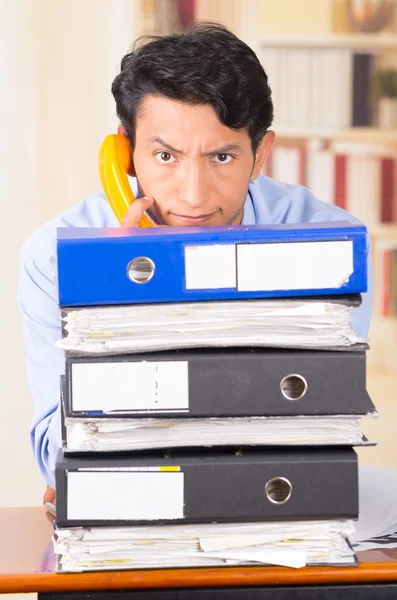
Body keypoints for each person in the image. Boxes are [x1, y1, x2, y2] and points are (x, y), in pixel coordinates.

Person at [18, 23, 373, 505]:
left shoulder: (330, 250)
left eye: (222, 157)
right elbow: (51, 451)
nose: (192, 194)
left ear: (260, 154)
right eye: (165, 155)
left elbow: (317, 417)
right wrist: (121, 301)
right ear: (124, 153)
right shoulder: (52, 257)